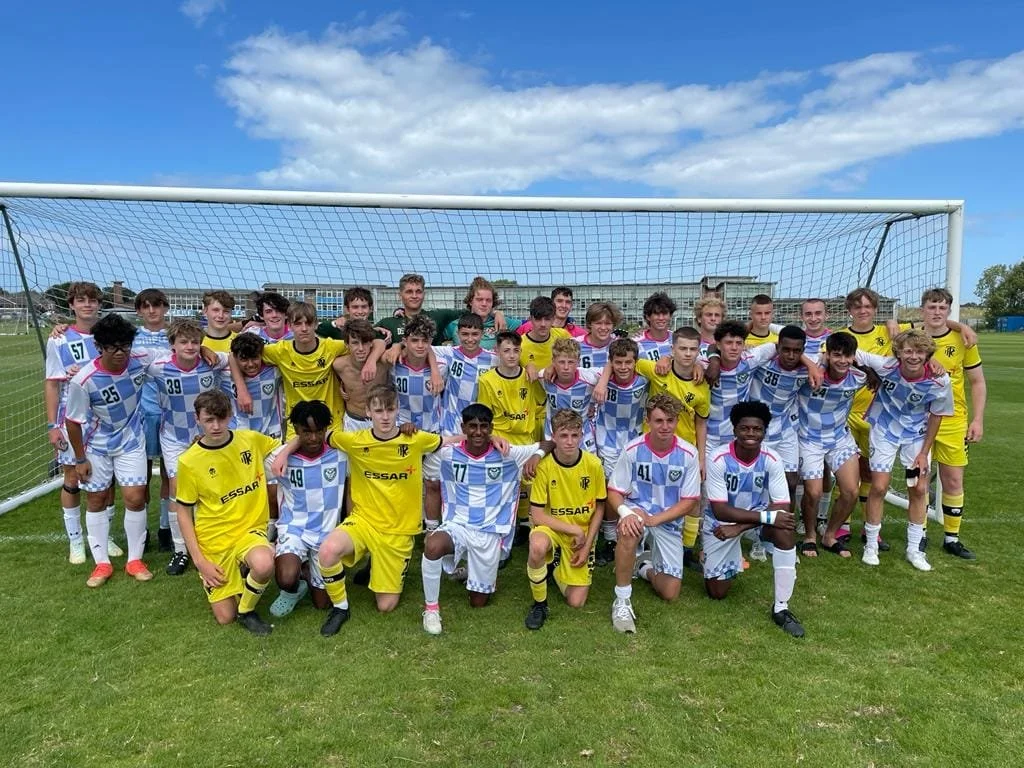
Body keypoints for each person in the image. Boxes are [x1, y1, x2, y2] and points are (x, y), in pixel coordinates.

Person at [273, 384, 443, 636]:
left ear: (398, 410)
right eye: (379, 410)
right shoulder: (353, 441)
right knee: (328, 551)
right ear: (368, 412)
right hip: (363, 521)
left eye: (390, 409)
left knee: (385, 606)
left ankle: (381, 566)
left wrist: (493, 438)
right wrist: (284, 451)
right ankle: (341, 608)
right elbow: (313, 434)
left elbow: (452, 442)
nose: (385, 416)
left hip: (397, 531)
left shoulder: (416, 439)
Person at [421, 404, 550, 635]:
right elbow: (424, 461)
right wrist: (431, 526)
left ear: (491, 428)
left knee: (478, 602)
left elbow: (549, 443)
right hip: (457, 526)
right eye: (472, 427)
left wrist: (537, 456)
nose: (478, 432)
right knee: (432, 545)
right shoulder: (447, 455)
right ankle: (431, 609)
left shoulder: (509, 455)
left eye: (483, 427)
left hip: (489, 533)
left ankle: (471, 571)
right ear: (463, 427)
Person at [175, 390, 279, 635]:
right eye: (209, 420)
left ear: (231, 415)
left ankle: (247, 611)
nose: (216, 426)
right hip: (215, 540)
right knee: (225, 617)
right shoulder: (189, 461)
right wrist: (200, 562)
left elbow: (284, 447)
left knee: (264, 564)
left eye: (221, 418)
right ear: (197, 419)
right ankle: (240, 575)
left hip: (249, 531)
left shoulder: (251, 440)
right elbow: (182, 513)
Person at [64, 314, 154, 588]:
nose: (120, 352)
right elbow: (72, 421)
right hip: (97, 446)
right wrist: (79, 459)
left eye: (125, 346)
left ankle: (135, 560)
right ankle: (101, 563)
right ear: (99, 347)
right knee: (96, 500)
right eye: (113, 347)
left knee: (136, 497)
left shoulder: (141, 359)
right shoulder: (84, 379)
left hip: (131, 440)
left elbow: (175, 352)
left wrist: (207, 350)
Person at [702, 401, 805, 638]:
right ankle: (726, 558)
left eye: (756, 429)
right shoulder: (718, 458)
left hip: (751, 520)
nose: (751, 434)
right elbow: (720, 510)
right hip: (722, 524)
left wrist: (740, 528)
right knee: (717, 592)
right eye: (745, 428)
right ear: (735, 429)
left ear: (764, 431)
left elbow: (781, 507)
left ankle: (781, 608)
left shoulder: (772, 458)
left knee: (785, 528)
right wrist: (737, 526)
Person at [858, 330, 954, 571]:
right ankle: (871, 545)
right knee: (879, 486)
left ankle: (914, 549)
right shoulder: (885, 365)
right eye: (908, 351)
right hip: (884, 429)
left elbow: (936, 416)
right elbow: (853, 353)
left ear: (928, 355)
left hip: (917, 435)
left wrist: (924, 452)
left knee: (919, 488)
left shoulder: (940, 381)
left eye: (920, 352)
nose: (913, 356)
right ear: (899, 352)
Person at [607, 394, 701, 633]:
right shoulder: (632, 449)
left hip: (667, 520)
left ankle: (644, 568)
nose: (665, 426)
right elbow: (615, 491)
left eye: (670, 420)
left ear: (677, 421)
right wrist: (626, 512)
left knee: (670, 593)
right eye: (659, 421)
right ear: (648, 421)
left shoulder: (689, 454)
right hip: (638, 511)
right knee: (629, 530)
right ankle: (622, 601)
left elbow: (690, 501)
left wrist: (655, 520)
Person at [147, 319, 230, 576]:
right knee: (176, 487)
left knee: (214, 486)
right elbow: (124, 364)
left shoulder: (211, 363)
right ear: (172, 344)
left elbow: (236, 359)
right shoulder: (157, 366)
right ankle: (181, 550)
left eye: (195, 341)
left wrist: (210, 352)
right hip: (173, 437)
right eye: (184, 342)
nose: (190, 346)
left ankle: (214, 542)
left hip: (205, 437)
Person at [233, 302, 384, 436]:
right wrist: (242, 389)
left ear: (316, 324)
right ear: (290, 326)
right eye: (298, 324)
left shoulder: (332, 347)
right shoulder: (279, 351)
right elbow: (233, 356)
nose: (304, 329)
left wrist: (371, 361)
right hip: (297, 426)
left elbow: (376, 342)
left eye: (308, 323)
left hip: (332, 426)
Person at [524, 409, 607, 630]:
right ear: (554, 436)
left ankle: (554, 567)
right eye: (563, 435)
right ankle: (539, 604)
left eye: (574, 435)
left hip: (582, 535)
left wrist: (587, 543)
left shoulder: (593, 465)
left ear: (581, 435)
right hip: (552, 528)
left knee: (576, 602)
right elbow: (538, 514)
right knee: (537, 546)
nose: (569, 442)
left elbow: (600, 508)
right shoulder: (544, 467)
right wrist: (574, 530)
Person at [919, 288, 986, 559]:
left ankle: (951, 538)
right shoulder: (909, 335)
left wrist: (978, 419)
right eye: (932, 307)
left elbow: (978, 382)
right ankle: (919, 533)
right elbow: (889, 328)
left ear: (948, 311)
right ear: (922, 309)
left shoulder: (962, 340)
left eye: (942, 308)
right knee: (918, 481)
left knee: (954, 480)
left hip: (954, 420)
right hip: (918, 420)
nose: (936, 312)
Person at [265, 400, 347, 618]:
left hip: (326, 535)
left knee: (322, 604)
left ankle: (309, 568)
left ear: (326, 428)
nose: (313, 438)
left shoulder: (341, 453)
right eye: (306, 432)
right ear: (296, 430)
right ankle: (294, 579)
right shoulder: (278, 458)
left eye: (318, 431)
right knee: (286, 578)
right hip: (294, 529)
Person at [43, 281, 103, 564]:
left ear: (99, 304)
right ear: (72, 305)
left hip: (105, 418)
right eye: (81, 300)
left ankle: (104, 538)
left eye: (92, 300)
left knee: (104, 481)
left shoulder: (108, 335)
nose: (87, 304)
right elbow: (53, 384)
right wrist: (52, 426)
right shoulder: (59, 339)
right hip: (71, 418)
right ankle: (75, 542)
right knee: (71, 478)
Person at [797, 331, 866, 557]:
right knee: (814, 493)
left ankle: (829, 535)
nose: (842, 361)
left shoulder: (859, 377)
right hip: (809, 439)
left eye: (847, 356)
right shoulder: (810, 372)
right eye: (837, 355)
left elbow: (884, 366)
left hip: (839, 439)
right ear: (828, 354)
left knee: (850, 491)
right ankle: (809, 536)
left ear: (854, 357)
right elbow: (792, 355)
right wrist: (814, 361)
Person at [589, 338, 650, 567]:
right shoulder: (599, 378)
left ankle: (636, 533)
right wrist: (604, 380)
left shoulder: (645, 380)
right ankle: (611, 539)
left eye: (628, 362)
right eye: (618, 362)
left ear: (636, 362)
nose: (623, 367)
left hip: (635, 443)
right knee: (609, 490)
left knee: (632, 491)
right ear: (611, 363)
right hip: (607, 442)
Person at [389, 315, 448, 529]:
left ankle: (431, 528)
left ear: (431, 342)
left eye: (425, 340)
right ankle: (401, 525)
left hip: (432, 432)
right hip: (402, 433)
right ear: (405, 340)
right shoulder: (393, 365)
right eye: (415, 340)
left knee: (432, 484)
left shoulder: (442, 367)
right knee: (402, 483)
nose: (420, 345)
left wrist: (433, 369)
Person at [132, 288, 173, 552]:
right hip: (141, 413)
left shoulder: (176, 334)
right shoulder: (131, 337)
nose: (151, 310)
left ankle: (166, 529)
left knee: (171, 473)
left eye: (156, 305)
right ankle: (142, 529)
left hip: (173, 413)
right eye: (145, 306)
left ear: (165, 308)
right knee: (142, 474)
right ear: (139, 310)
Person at [478, 331, 544, 445]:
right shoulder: (486, 380)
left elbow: (542, 404)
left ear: (521, 352)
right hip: (500, 441)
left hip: (526, 442)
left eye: (516, 350)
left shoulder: (531, 376)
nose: (512, 355)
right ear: (497, 351)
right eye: (506, 351)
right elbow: (484, 417)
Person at [537, 337, 602, 450]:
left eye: (571, 362)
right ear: (553, 361)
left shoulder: (589, 379)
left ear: (578, 361)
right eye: (561, 362)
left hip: (583, 437)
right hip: (553, 437)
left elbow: (611, 368)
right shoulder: (544, 377)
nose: (566, 367)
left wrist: (601, 385)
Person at [331, 319, 393, 432]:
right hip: (353, 422)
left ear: (371, 343)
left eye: (364, 342)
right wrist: (340, 387)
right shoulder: (338, 365)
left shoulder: (383, 362)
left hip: (380, 420)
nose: (360, 349)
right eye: (355, 343)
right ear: (347, 344)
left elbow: (401, 348)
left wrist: (372, 361)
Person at [374, 273, 463, 346]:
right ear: (400, 295)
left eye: (418, 291)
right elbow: (362, 334)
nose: (414, 296)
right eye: (409, 292)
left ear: (424, 294)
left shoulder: (438, 316)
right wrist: (376, 329)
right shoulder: (388, 323)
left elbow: (468, 312)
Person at [226, 333, 282, 440]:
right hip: (239, 437)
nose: (250, 364)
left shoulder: (276, 370)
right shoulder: (224, 373)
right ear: (236, 358)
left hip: (271, 436)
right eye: (244, 359)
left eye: (255, 358)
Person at [444, 276, 517, 349]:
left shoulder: (502, 321)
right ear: (470, 301)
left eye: (488, 300)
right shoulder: (456, 325)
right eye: (479, 299)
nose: (484, 304)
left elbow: (527, 326)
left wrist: (498, 313)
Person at [518, 286, 586, 338]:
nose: (564, 305)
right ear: (552, 303)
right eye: (559, 301)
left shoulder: (580, 334)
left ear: (571, 306)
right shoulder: (528, 327)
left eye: (568, 302)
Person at [633, 291, 677, 361]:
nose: (661, 318)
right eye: (657, 314)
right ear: (648, 317)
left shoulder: (678, 339)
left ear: (670, 316)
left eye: (665, 313)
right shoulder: (636, 343)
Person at [579, 301, 622, 371]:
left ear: (613, 325)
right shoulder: (574, 345)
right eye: (598, 323)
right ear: (590, 324)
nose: (603, 328)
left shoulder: (620, 345)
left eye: (608, 323)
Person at [201, 290, 237, 354]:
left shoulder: (240, 340)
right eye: (216, 310)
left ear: (231, 313)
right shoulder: (195, 343)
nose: (221, 315)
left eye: (226, 311)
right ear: (205, 311)